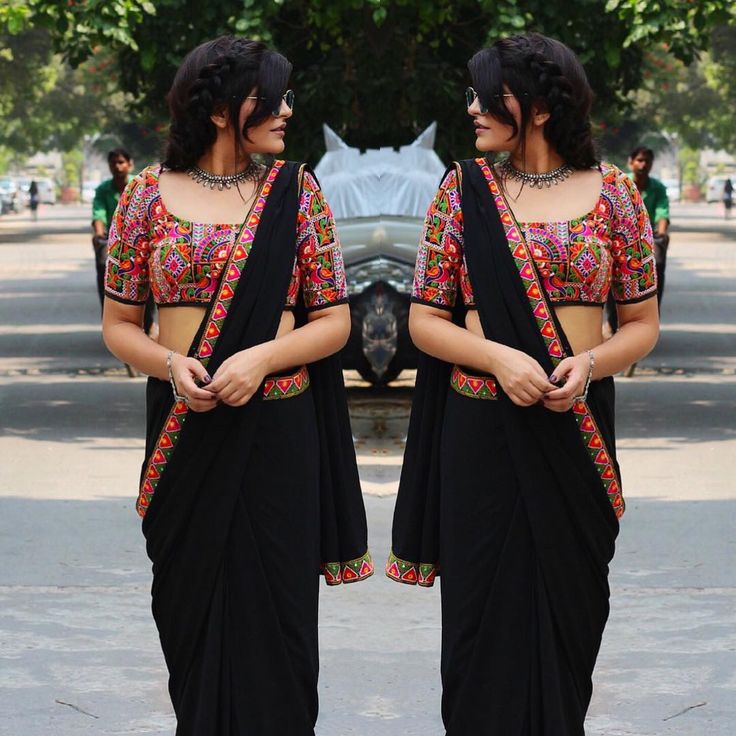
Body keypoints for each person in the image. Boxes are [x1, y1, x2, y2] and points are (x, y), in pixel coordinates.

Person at [387, 33, 659, 735]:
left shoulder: (616, 195)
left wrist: (589, 364)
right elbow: (424, 322)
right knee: (481, 617)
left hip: (575, 426)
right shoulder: (462, 191)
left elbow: (639, 324)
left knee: (573, 609)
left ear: (539, 106)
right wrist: (498, 359)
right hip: (482, 433)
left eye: (488, 96)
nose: (472, 108)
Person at [101, 36, 372, 735]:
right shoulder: (145, 196)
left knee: (279, 618)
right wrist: (171, 364)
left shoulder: (297, 193)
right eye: (271, 98)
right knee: (187, 610)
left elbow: (334, 322)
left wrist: (263, 359)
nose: (287, 111)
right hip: (185, 429)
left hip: (277, 435)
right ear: (222, 109)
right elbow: (121, 325)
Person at [91, 149, 160, 333]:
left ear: (129, 164)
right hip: (113, 242)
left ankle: (148, 321)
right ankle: (111, 319)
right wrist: (99, 234)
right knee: (104, 266)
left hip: (140, 240)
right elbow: (98, 214)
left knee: (149, 274)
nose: (117, 166)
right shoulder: (103, 189)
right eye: (113, 163)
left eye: (121, 162)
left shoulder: (139, 184)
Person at [627, 146, 670, 307]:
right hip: (622, 235)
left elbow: (662, 212)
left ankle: (654, 309)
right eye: (639, 160)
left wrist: (662, 233)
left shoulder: (658, 188)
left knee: (657, 263)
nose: (643, 165)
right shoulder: (621, 183)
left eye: (647, 161)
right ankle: (612, 316)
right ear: (631, 162)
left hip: (649, 235)